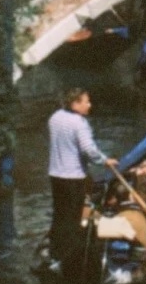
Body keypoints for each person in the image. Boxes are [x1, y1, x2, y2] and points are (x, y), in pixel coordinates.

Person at [46, 89, 114, 270]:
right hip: (74, 177)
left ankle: (54, 253)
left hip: (55, 175)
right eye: (86, 101)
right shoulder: (79, 123)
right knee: (73, 219)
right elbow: (88, 149)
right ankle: (68, 261)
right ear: (75, 104)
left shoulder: (55, 117)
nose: (89, 105)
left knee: (59, 215)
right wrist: (104, 160)